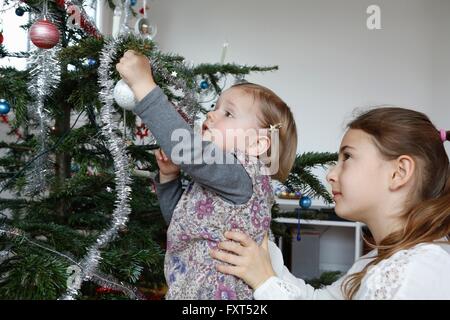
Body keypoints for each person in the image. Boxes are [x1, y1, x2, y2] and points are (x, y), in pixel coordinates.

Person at [211, 107, 450, 299]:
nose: (330, 175)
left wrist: (265, 284)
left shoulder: (417, 271)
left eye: (347, 157)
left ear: (399, 172)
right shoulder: (377, 258)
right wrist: (263, 260)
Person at [115, 50, 298, 299]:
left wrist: (143, 86)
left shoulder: (241, 174)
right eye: (215, 107)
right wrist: (169, 178)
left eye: (228, 113)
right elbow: (180, 221)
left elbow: (187, 150)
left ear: (257, 144)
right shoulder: (219, 177)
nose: (211, 114)